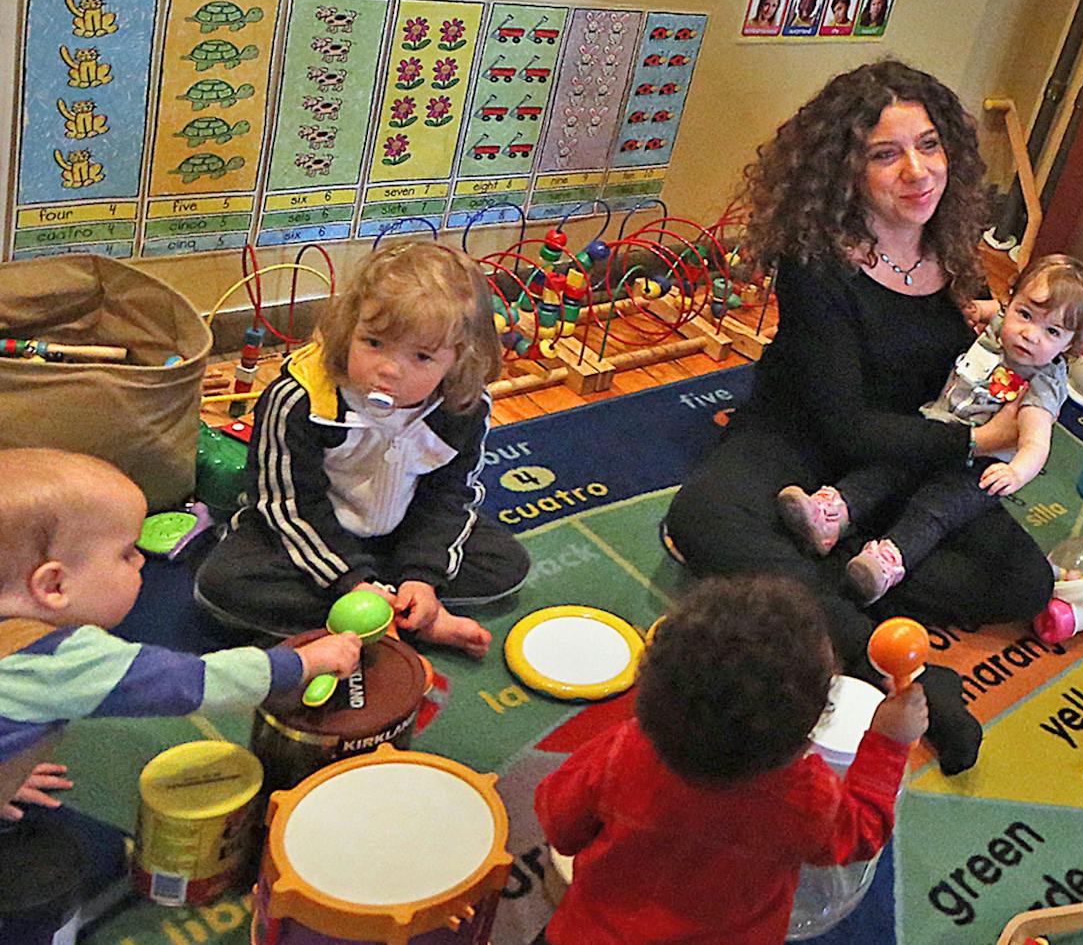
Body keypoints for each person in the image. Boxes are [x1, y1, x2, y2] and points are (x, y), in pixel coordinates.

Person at [663, 60, 1056, 777]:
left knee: (1023, 583)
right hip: (802, 437)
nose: (918, 170)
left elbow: (976, 372)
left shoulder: (950, 242)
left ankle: (827, 558)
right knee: (703, 520)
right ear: (846, 170)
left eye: (930, 145)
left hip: (903, 456)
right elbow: (842, 425)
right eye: (887, 154)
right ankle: (894, 666)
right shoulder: (817, 262)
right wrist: (976, 440)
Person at [536, 575, 924, 945]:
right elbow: (863, 832)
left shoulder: (623, 749)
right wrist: (888, 743)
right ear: (801, 740)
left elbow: (561, 825)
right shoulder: (804, 798)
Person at [196, 241, 528, 659]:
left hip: (398, 536)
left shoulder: (463, 407)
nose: (389, 369)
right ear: (349, 328)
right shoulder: (301, 400)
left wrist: (422, 577)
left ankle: (387, 612)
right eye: (373, 343)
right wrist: (351, 579)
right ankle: (390, 619)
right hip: (312, 536)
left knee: (505, 563)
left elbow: (449, 497)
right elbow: (288, 505)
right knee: (223, 585)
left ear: (456, 359)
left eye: (422, 356)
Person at [2, 449, 360, 822]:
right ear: (54, 584)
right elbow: (192, 682)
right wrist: (302, 662)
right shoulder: (59, 660)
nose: (142, 560)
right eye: (126, 554)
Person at [776, 254, 1083, 604]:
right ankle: (832, 515)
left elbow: (1037, 441)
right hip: (938, 428)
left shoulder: (1043, 383)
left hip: (977, 469)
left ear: (1069, 344)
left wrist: (1016, 472)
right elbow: (1000, 309)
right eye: (1025, 315)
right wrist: (980, 309)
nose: (1030, 335)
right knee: (888, 468)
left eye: (1052, 331)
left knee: (935, 509)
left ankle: (887, 561)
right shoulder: (1002, 328)